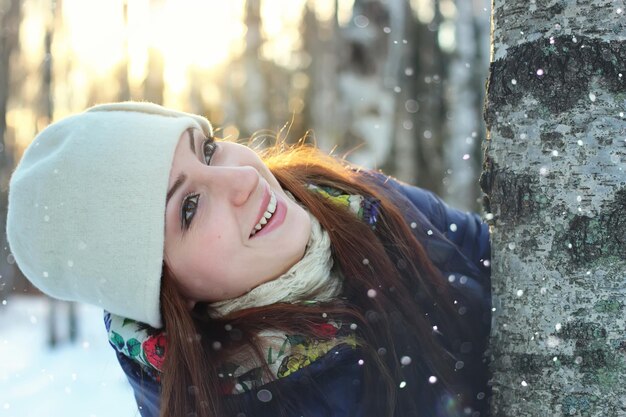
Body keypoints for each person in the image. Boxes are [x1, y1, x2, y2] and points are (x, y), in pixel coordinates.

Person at [7, 102, 491, 417]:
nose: (242, 180)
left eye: (209, 150)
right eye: (190, 208)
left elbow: (496, 258)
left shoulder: (346, 202)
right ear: (165, 294)